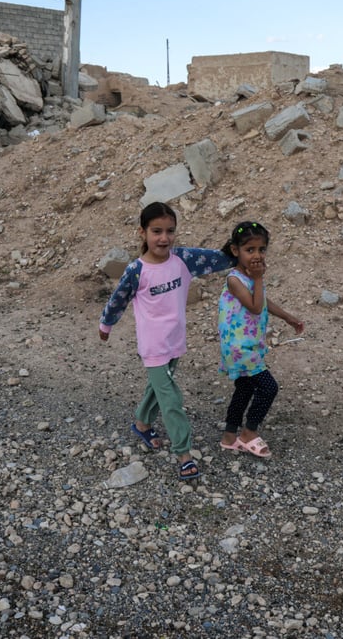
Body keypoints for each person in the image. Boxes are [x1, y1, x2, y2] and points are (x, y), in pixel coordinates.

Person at [98, 201, 234, 481]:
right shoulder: (137, 270)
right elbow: (118, 300)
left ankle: (142, 423)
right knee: (171, 398)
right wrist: (106, 324)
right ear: (142, 233)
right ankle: (184, 455)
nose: (164, 238)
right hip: (153, 346)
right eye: (156, 231)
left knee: (158, 387)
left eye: (170, 231)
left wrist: (241, 248)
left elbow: (217, 259)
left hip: (176, 341)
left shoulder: (183, 259)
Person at [217, 221, 304, 458]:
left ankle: (229, 436)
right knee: (268, 388)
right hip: (240, 348)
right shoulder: (235, 280)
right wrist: (258, 277)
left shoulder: (249, 278)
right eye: (250, 250)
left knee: (244, 388)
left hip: (247, 344)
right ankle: (248, 433)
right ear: (236, 251)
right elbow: (256, 307)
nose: (257, 255)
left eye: (261, 249)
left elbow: (262, 300)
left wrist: (288, 317)